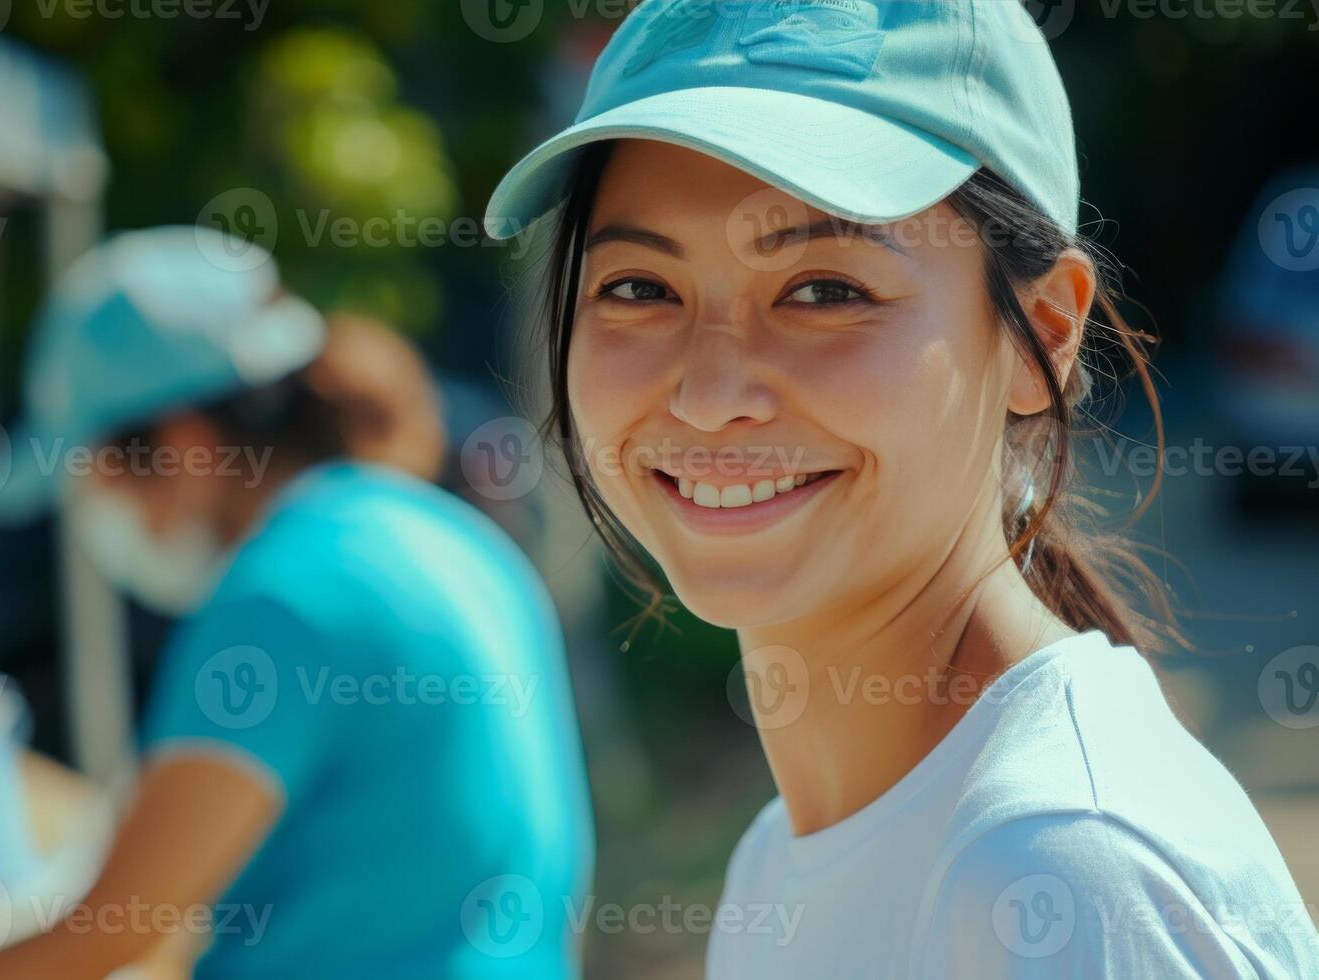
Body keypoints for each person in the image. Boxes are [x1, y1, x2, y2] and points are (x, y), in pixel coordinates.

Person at [481, 1, 1319, 976]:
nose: (710, 398)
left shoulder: (1058, 871)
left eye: (824, 290)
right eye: (639, 287)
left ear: (1042, 332)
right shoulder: (780, 858)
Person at [0, 226, 593, 978]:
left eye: (96, 477)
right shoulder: (459, 544)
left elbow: (113, 930)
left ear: (184, 446)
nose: (97, 516)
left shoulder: (281, 596)